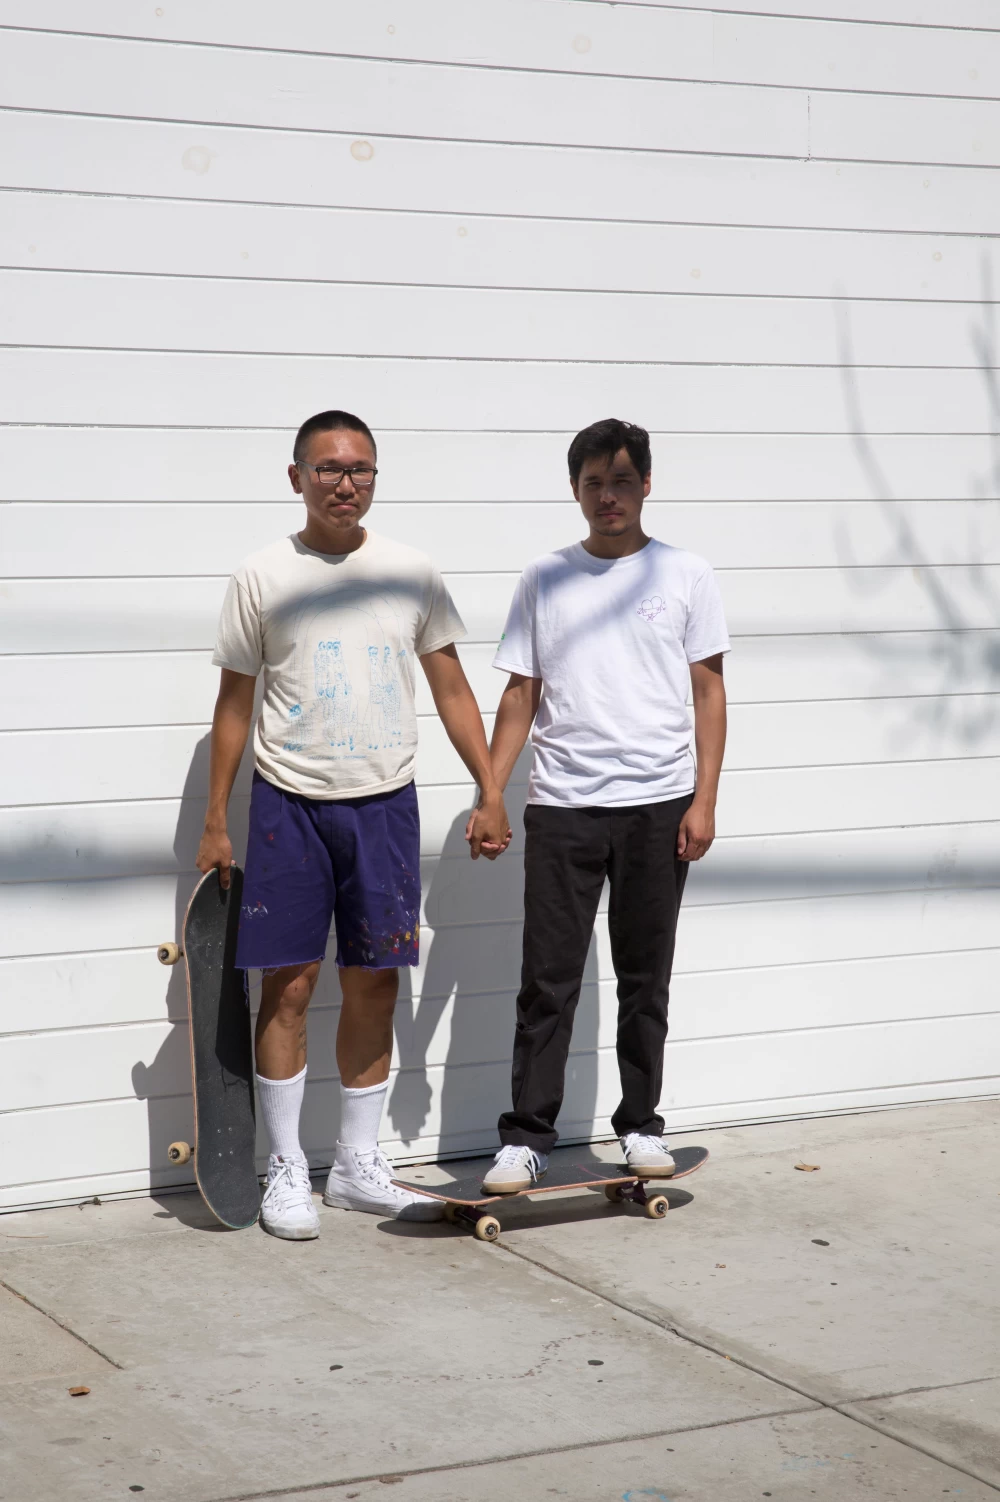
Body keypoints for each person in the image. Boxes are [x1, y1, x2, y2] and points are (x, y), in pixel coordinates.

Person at [197, 409, 509, 1239]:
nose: (346, 483)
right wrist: (216, 820)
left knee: (375, 981)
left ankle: (357, 1166)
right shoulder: (261, 574)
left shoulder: (410, 571)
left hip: (385, 804)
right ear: (296, 476)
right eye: (329, 468)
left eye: (361, 469)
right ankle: (285, 1168)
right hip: (288, 803)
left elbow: (451, 687)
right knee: (289, 985)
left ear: (375, 477)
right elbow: (233, 705)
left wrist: (489, 787)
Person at [478, 418, 729, 1193]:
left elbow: (709, 691)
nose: (608, 496)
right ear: (575, 490)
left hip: (660, 803)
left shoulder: (685, 573)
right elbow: (520, 692)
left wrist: (705, 800)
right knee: (546, 980)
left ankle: (641, 1126)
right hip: (564, 804)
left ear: (646, 484)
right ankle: (527, 1139)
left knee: (645, 978)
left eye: (621, 481)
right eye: (593, 484)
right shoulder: (545, 577)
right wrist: (491, 794)